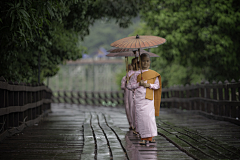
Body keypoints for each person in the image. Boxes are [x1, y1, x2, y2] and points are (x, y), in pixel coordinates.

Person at [127, 53, 162, 145]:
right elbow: (129, 86)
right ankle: (142, 137)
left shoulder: (153, 74)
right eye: (143, 61)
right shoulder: (136, 75)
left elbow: (157, 86)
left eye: (147, 61)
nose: (145, 63)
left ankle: (151, 137)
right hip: (139, 100)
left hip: (149, 99)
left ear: (149, 62)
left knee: (149, 118)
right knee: (141, 118)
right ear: (139, 62)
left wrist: (148, 85)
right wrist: (138, 84)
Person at [121, 64, 134, 129]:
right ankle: (131, 123)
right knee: (127, 107)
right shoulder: (125, 78)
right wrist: (126, 81)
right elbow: (122, 86)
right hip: (127, 93)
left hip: (133, 93)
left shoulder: (136, 75)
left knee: (133, 107)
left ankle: (135, 123)